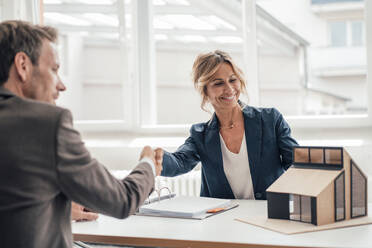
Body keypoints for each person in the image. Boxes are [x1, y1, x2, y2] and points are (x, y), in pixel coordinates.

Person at [0, 20, 162, 248]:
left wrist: (57, 207)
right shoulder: (47, 123)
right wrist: (148, 165)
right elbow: (123, 200)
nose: (62, 85)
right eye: (54, 70)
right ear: (22, 65)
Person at [157, 50, 298, 200]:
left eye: (232, 80)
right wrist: (157, 158)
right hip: (223, 220)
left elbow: (297, 165)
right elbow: (179, 162)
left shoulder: (270, 120)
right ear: (205, 91)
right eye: (218, 83)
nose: (229, 89)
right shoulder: (201, 135)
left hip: (269, 217)